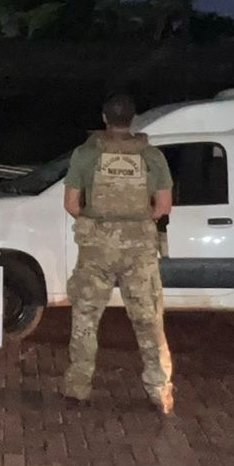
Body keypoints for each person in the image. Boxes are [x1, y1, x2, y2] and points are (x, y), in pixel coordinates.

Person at [61, 91, 175, 414]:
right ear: (132, 120)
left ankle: (77, 387)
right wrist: (136, 221)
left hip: (96, 249)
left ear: (104, 118)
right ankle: (159, 390)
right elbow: (163, 206)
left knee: (85, 318)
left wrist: (99, 221)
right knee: (149, 321)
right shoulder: (152, 157)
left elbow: (71, 204)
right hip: (139, 251)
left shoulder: (86, 154)